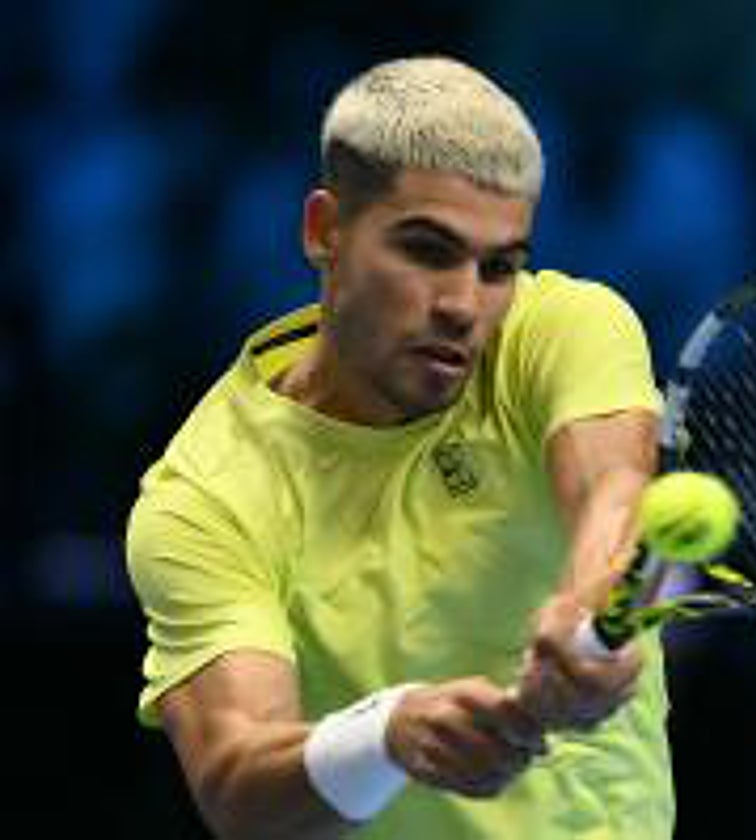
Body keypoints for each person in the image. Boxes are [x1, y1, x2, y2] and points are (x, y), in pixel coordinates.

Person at [125, 56, 674, 839]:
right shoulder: (207, 495)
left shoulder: (565, 328)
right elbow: (238, 791)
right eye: (426, 250)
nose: (463, 305)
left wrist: (590, 608)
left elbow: (612, 492)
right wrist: (387, 736)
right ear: (326, 231)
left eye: (498, 267)